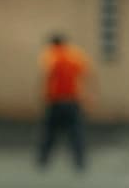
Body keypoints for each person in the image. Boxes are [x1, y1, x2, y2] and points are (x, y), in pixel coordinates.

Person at [37, 33, 91, 171]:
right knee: (75, 133)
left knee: (50, 132)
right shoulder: (75, 55)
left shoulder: (51, 55)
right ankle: (79, 162)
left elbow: (47, 76)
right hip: (72, 100)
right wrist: (87, 96)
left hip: (56, 100)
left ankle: (43, 161)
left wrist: (43, 94)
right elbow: (85, 75)